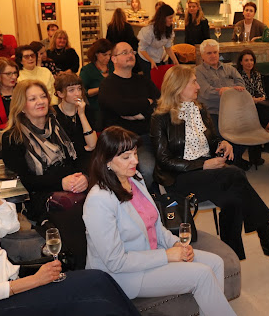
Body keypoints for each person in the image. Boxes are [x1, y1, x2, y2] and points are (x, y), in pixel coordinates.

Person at [151, 65, 269, 261]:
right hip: (179, 177)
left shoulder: (199, 109)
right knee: (235, 174)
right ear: (178, 87)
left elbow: (211, 140)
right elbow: (164, 160)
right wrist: (203, 165)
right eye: (193, 82)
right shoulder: (160, 118)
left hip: (207, 172)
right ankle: (267, 236)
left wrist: (222, 143)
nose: (198, 86)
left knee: (233, 197)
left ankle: (232, 257)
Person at [83, 127, 236, 315]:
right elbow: (115, 262)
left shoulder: (135, 180)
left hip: (151, 253)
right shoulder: (99, 200)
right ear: (107, 161)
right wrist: (167, 256)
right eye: (126, 157)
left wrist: (176, 244)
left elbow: (155, 224)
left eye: (135, 153)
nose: (135, 161)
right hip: (123, 276)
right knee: (202, 274)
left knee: (216, 262)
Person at [0, 164, 142, 316]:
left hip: (14, 280)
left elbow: (10, 224)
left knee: (99, 278)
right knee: (97, 301)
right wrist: (35, 280)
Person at [0, 80, 88, 268]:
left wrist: (84, 178)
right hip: (38, 194)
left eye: (42, 97)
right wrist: (61, 182)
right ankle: (79, 266)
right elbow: (26, 181)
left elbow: (81, 158)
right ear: (21, 105)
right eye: (32, 99)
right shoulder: (12, 137)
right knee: (74, 210)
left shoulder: (61, 123)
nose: (40, 102)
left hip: (73, 184)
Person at [98, 41, 160, 186]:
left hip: (148, 136)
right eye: (125, 53)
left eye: (132, 52)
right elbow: (122, 108)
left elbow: (161, 104)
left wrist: (142, 114)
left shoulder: (143, 80)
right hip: (122, 142)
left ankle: (156, 196)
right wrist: (147, 102)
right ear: (113, 59)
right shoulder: (107, 85)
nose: (130, 55)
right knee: (147, 169)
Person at [195, 39, 249, 169]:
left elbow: (242, 85)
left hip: (233, 111)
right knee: (220, 138)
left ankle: (234, 159)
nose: (213, 55)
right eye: (209, 53)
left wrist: (225, 90)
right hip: (212, 112)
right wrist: (232, 90)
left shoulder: (229, 69)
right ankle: (229, 162)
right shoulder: (198, 71)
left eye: (215, 52)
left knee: (246, 132)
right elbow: (207, 93)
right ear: (202, 55)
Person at [54, 73, 97, 171]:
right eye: (71, 90)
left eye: (79, 89)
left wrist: (81, 114)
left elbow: (92, 145)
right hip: (63, 162)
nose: (77, 93)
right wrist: (81, 148)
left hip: (85, 160)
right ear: (60, 94)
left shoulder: (87, 110)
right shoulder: (53, 114)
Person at [236, 49, 266, 167]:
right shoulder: (237, 75)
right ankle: (253, 155)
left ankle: (256, 156)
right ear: (241, 62)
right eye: (246, 60)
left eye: (251, 60)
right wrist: (253, 100)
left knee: (261, 118)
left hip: (257, 104)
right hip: (242, 107)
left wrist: (259, 98)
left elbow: (260, 91)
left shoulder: (256, 74)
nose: (249, 63)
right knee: (255, 120)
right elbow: (242, 96)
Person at [79, 38, 113, 130]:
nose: (108, 58)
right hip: (96, 110)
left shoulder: (113, 66)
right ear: (96, 54)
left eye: (109, 54)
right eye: (104, 55)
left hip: (113, 106)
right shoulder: (87, 70)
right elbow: (83, 92)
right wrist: (101, 89)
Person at [137, 4, 179, 78]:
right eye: (170, 18)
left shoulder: (168, 29)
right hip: (145, 58)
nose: (172, 20)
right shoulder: (149, 30)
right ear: (163, 18)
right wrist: (151, 61)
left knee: (160, 77)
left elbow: (168, 48)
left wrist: (176, 62)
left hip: (157, 57)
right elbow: (142, 49)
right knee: (150, 78)